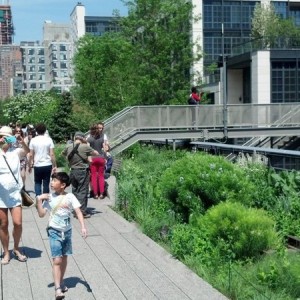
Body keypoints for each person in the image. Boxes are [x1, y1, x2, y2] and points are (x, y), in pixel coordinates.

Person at [36, 172, 87, 300]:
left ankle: (61, 280)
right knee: (57, 260)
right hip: (54, 231)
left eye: (54, 181)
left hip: (67, 231)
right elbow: (42, 214)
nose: (51, 183)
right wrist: (39, 200)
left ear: (63, 185)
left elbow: (78, 212)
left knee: (64, 258)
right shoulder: (50, 198)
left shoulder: (70, 197)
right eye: (52, 180)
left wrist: (83, 226)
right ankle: (58, 288)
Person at [0, 125, 30, 265]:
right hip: (0, 195)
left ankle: (16, 248)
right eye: (1, 136)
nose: (4, 139)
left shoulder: (16, 151)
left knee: (18, 223)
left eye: (7, 136)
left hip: (14, 193)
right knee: (3, 224)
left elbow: (27, 151)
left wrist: (21, 140)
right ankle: (6, 252)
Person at [61, 132, 98, 218]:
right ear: (82, 138)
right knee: (82, 191)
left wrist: (70, 160)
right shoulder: (85, 147)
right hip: (82, 171)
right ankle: (81, 212)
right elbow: (96, 153)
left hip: (72, 170)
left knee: (75, 190)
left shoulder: (69, 146)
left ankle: (75, 210)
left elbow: (63, 154)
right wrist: (87, 145)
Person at [28, 123, 57, 196]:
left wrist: (29, 165)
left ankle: (38, 199)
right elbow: (52, 154)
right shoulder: (49, 140)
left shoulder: (33, 140)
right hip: (47, 164)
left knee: (37, 182)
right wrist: (55, 165)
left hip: (37, 164)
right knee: (46, 183)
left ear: (36, 131)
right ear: (45, 130)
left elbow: (31, 154)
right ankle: (45, 199)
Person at [87, 124, 106, 199]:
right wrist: (104, 157)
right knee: (101, 176)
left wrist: (89, 158)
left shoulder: (89, 138)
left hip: (93, 159)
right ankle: (101, 193)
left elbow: (88, 149)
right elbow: (104, 148)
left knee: (94, 176)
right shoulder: (102, 137)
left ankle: (95, 194)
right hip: (101, 158)